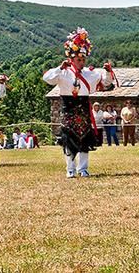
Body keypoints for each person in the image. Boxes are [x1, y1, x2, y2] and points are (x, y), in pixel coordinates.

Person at [42, 28, 117, 178]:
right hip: (68, 109)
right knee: (69, 140)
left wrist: (108, 71)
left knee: (84, 140)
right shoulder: (62, 73)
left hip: (83, 109)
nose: (81, 62)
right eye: (78, 60)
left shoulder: (91, 73)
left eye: (83, 60)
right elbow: (47, 79)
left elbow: (107, 82)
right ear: (71, 59)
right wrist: (60, 67)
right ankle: (70, 170)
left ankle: (83, 169)